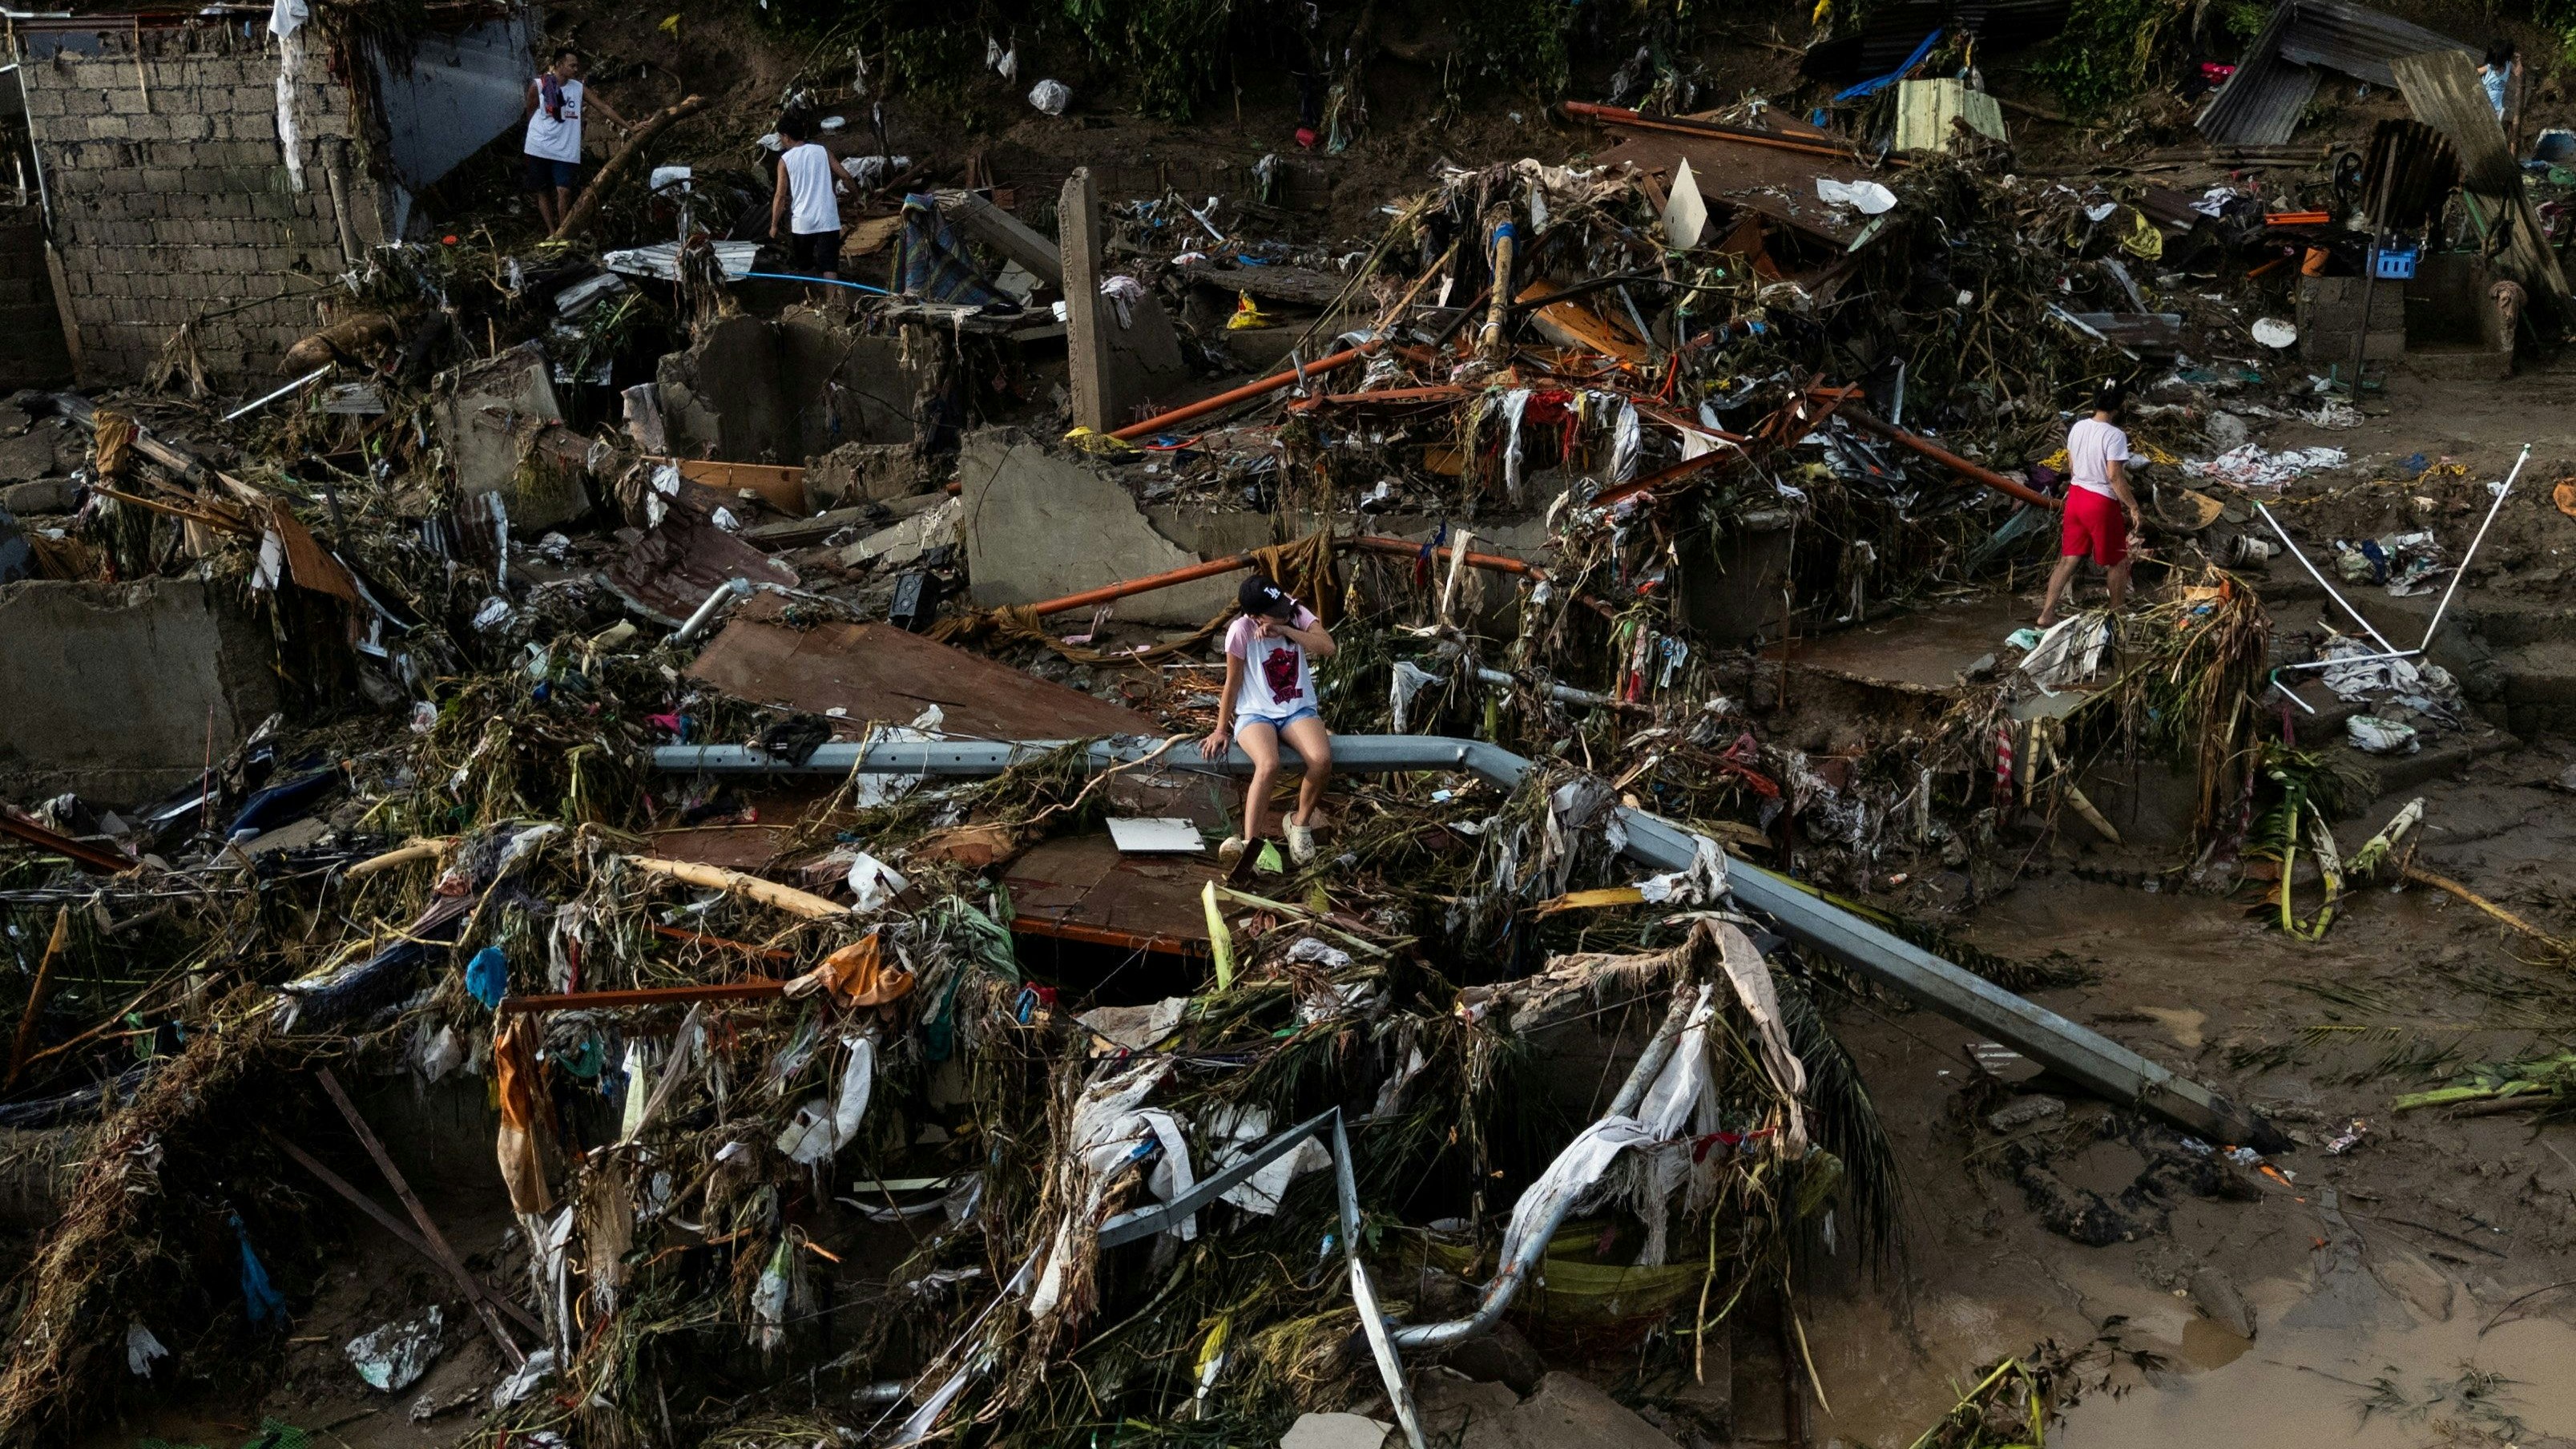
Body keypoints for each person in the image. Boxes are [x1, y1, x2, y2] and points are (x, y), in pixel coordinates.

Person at [1201, 575, 1336, 865]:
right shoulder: (1240, 631)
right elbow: (1232, 683)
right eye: (1273, 611)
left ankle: (1299, 824)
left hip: (1297, 708)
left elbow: (1328, 647)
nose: (1283, 611)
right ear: (1254, 615)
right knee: (1268, 763)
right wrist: (1220, 729)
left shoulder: (1296, 613)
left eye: (1281, 605)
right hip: (1255, 712)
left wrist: (1285, 628)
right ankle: (1251, 844)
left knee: (1321, 760)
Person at [2036, 383, 2143, 628]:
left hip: (2076, 497)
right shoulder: (2115, 436)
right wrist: (2133, 506)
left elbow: (2072, 466)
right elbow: (2114, 476)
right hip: (2100, 502)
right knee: (2117, 561)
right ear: (2119, 406)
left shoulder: (2077, 427)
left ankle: (2046, 614)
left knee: (2067, 560)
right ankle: (2117, 615)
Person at [522, 47, 627, 233]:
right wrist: (534, 135)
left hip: (565, 150)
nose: (576, 69)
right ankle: (552, 232)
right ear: (559, 65)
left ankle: (564, 232)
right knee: (543, 190)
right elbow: (530, 112)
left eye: (577, 66)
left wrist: (628, 126)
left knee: (564, 191)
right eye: (572, 65)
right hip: (538, 147)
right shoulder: (540, 85)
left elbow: (603, 107)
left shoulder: (577, 88)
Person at [768, 111, 844, 280]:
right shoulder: (822, 151)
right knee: (829, 266)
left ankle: (812, 299)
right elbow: (845, 176)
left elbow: (780, 196)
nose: (781, 140)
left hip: (802, 223)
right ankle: (834, 303)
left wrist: (774, 225)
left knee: (805, 265)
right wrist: (857, 198)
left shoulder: (785, 160)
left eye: (781, 137)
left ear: (786, 137)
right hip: (828, 219)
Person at [2479, 39, 2520, 122]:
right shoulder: (2489, 67)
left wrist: (2518, 61)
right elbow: (2474, 72)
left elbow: (2517, 73)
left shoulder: (2508, 65)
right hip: (2483, 104)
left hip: (2497, 108)